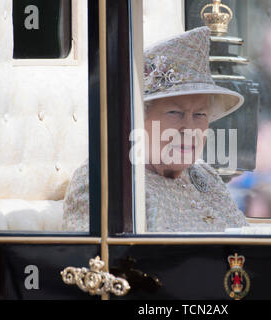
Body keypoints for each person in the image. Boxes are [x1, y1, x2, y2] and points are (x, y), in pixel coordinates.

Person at [62, 27, 249, 232]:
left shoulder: (203, 174)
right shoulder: (107, 179)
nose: (189, 129)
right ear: (137, 119)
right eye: (174, 112)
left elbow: (244, 242)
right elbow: (99, 258)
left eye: (199, 115)